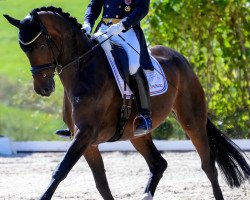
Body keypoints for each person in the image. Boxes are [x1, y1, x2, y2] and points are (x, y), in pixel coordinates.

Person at [57, 0, 154, 137]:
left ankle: (145, 116)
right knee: (81, 61)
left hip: (127, 31)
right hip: (103, 29)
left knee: (133, 66)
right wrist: (88, 24)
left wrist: (123, 24)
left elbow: (141, 9)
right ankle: (70, 119)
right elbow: (94, 5)